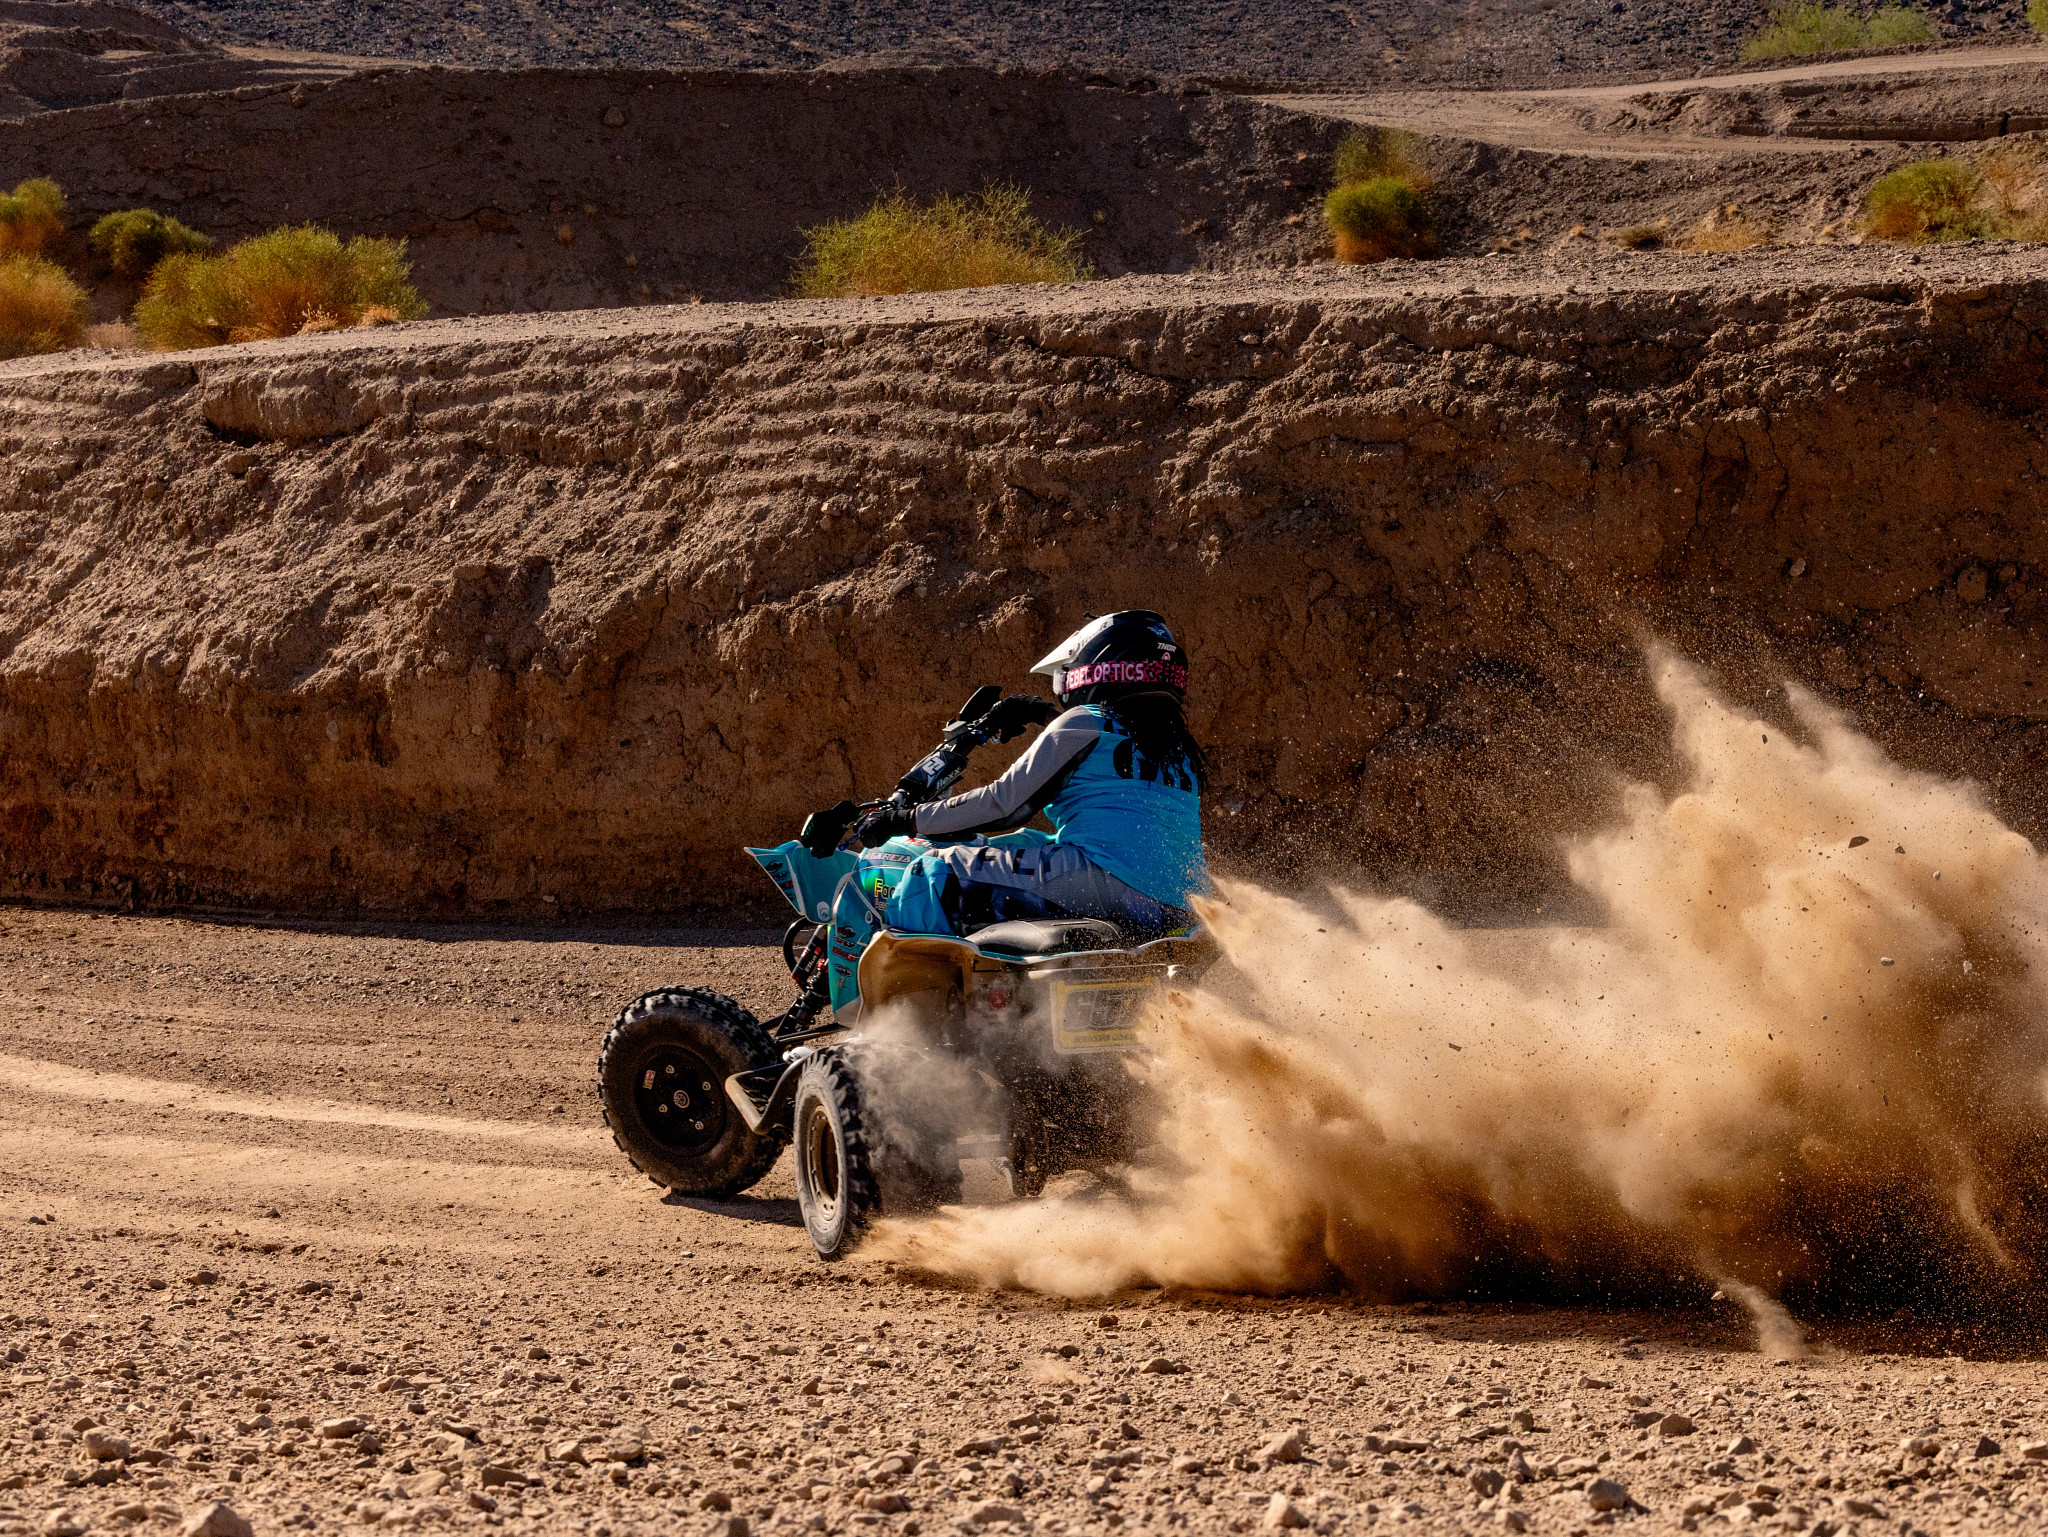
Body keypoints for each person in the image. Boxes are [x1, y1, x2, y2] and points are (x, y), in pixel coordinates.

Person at [853, 610, 1209, 937]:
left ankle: (924, 1001)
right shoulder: (1179, 751)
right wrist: (1039, 713)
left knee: (930, 873)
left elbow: (1003, 805)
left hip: (1105, 880)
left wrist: (903, 820)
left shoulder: (1083, 723)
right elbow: (1103, 752)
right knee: (1028, 842)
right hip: (1183, 903)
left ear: (1099, 663)